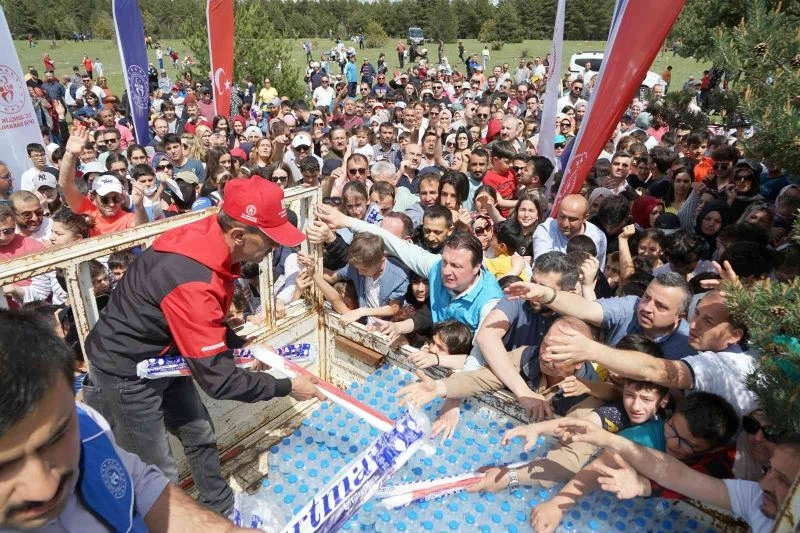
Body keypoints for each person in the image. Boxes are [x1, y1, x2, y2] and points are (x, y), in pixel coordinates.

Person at [82, 177, 324, 516]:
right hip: (127, 372)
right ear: (239, 235)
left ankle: (220, 508)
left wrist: (242, 347)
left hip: (169, 355)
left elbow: (206, 323)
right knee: (158, 477)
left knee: (198, 432)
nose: (273, 248)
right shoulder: (193, 278)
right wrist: (286, 386)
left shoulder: (211, 237)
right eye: (269, 240)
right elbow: (220, 382)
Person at [0, 310, 257, 532]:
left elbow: (139, 483)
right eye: (4, 467)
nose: (44, 488)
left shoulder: (87, 424)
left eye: (56, 438)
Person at [542, 417, 800, 533]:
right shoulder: (755, 497)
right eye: (769, 471)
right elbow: (678, 475)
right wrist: (606, 439)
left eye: (783, 481)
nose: (763, 483)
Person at [540, 289, 756, 415]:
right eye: (697, 314)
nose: (694, 325)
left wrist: (589, 349)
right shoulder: (742, 354)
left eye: (707, 321)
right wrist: (547, 294)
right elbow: (588, 309)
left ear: (735, 336)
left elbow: (652, 370)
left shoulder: (719, 366)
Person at [533, 194, 608, 270]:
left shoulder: (598, 237)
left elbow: (597, 271)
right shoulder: (546, 229)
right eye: (562, 216)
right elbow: (542, 266)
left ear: (585, 218)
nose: (565, 224)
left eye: (572, 219)